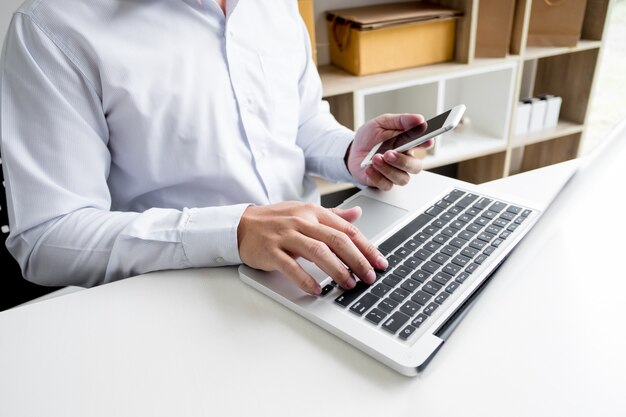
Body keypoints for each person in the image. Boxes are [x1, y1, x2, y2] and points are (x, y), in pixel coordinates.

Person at [0, 0, 431, 295]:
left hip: (315, 271)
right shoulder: (52, 27)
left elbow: (300, 122)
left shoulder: (275, 6)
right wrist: (235, 230)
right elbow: (47, 238)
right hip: (174, 297)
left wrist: (347, 154)